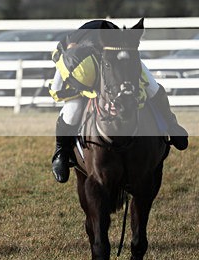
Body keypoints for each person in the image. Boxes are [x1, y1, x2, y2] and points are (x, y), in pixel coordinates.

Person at [49, 19, 188, 183]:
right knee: (72, 110)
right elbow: (57, 93)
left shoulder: (115, 45)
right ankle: (61, 152)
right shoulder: (73, 61)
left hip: (118, 56)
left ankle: (171, 125)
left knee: (153, 88)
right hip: (85, 73)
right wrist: (95, 94)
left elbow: (140, 87)